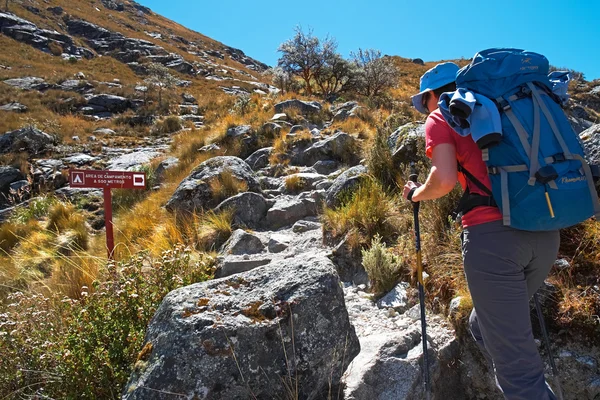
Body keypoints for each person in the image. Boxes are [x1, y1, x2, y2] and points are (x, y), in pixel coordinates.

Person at [403, 62, 560, 400]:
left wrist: (415, 193)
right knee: (481, 325)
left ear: (433, 95)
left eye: (423, 101)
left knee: (521, 379)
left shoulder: (440, 116)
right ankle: (516, 359)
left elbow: (444, 180)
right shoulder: (503, 105)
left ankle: (521, 373)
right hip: (545, 231)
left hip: (494, 243)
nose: (424, 109)